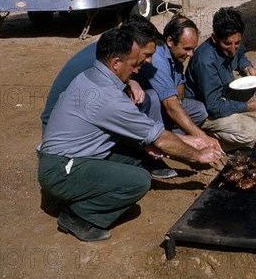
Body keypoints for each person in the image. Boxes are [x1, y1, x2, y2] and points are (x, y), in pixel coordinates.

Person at [37, 28, 223, 242]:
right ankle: (79, 216)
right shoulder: (107, 98)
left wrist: (151, 143)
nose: (136, 71)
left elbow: (143, 134)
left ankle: (85, 193)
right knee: (138, 181)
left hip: (69, 156)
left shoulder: (91, 76)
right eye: (134, 65)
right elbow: (160, 137)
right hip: (60, 169)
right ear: (116, 63)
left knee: (139, 159)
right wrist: (198, 155)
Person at [40, 16, 179, 179]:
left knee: (146, 98)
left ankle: (142, 154)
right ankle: (141, 157)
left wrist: (129, 82)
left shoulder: (109, 53)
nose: (149, 61)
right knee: (131, 107)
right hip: (65, 135)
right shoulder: (97, 62)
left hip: (80, 116)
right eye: (147, 55)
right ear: (131, 47)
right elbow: (102, 99)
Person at [185, 7, 256, 151]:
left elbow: (240, 56)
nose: (232, 49)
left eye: (237, 43)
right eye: (227, 44)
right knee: (254, 133)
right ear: (214, 38)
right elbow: (214, 106)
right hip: (209, 112)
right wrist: (251, 106)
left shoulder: (234, 42)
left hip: (226, 92)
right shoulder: (205, 62)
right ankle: (208, 138)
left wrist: (247, 68)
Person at [135, 15, 220, 151]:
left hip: (166, 106)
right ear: (170, 41)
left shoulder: (176, 55)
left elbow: (180, 84)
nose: (191, 54)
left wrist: (178, 100)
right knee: (155, 98)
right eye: (187, 48)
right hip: (148, 109)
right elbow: (170, 105)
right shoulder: (157, 59)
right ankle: (159, 142)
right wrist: (203, 137)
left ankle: (170, 135)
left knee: (199, 110)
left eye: (193, 48)